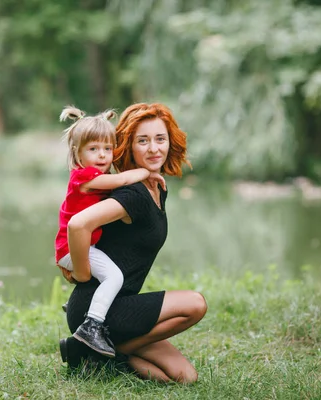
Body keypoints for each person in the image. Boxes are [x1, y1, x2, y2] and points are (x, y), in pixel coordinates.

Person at [59, 103, 208, 383]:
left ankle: (98, 354)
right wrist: (80, 270)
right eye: (143, 141)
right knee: (195, 303)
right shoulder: (133, 194)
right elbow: (77, 224)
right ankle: (89, 342)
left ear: (169, 142)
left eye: (160, 139)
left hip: (121, 306)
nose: (153, 149)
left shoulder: (155, 187)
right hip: (95, 309)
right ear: (128, 145)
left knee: (184, 377)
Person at [55, 105, 166, 358]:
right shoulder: (84, 177)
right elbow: (119, 181)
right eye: (93, 149)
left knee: (108, 274)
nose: (103, 155)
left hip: (82, 245)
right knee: (114, 277)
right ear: (78, 154)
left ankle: (89, 310)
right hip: (71, 248)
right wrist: (145, 172)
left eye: (107, 148)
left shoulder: (94, 175)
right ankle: (91, 325)